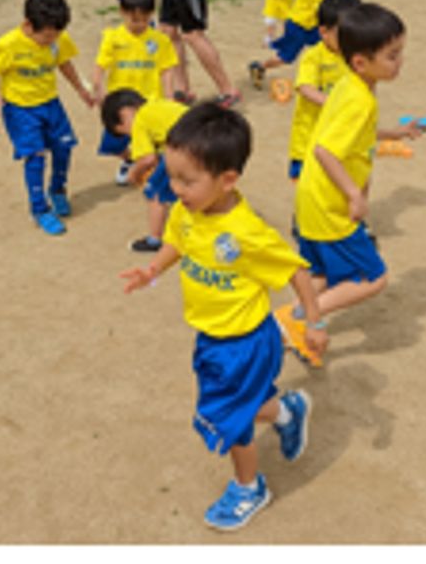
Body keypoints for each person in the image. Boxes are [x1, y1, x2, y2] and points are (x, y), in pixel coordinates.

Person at [119, 102, 326, 532]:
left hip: (245, 343)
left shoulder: (247, 233)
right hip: (212, 338)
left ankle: (249, 488)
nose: (175, 187)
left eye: (187, 180)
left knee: (229, 417)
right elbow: (178, 240)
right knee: (241, 406)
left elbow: (294, 270)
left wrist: (314, 321)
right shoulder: (189, 211)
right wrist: (153, 268)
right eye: (171, 175)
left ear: (227, 179)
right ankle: (286, 410)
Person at [276, 3, 421, 367]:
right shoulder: (359, 98)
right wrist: (354, 193)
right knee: (373, 278)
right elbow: (327, 150)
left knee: (322, 273)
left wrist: (394, 133)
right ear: (360, 61)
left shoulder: (348, 85)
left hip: (310, 197)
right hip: (329, 203)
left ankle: (292, 322)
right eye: (391, 55)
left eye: (400, 52)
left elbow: (347, 133)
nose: (399, 62)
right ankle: (296, 318)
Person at [0, 0, 96, 236]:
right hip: (20, 110)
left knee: (64, 147)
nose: (50, 41)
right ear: (28, 25)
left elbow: (64, 63)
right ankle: (40, 209)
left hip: (50, 104)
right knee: (35, 156)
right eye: (46, 37)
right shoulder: (8, 44)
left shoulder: (58, 39)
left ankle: (57, 190)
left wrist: (81, 89)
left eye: (55, 36)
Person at [92, 0, 179, 186]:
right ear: (122, 12)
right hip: (120, 105)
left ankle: (154, 171)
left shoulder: (160, 40)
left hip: (149, 102)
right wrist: (99, 88)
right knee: (113, 143)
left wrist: (169, 96)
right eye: (133, 19)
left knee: (155, 143)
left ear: (151, 14)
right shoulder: (113, 38)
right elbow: (100, 66)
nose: (138, 24)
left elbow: (167, 70)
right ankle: (130, 159)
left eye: (144, 19)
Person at [248, 0, 350, 88]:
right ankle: (260, 66)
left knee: (327, 48)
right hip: (298, 26)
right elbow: (322, 12)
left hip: (312, 27)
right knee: (286, 57)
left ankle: (324, 78)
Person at [287, 0, 361, 182]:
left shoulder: (354, 57)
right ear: (324, 32)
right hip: (308, 143)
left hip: (338, 139)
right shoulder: (314, 57)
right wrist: (334, 102)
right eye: (343, 34)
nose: (350, 39)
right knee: (307, 190)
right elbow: (305, 88)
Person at [101, 88, 188, 252]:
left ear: (123, 116)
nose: (130, 134)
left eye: (124, 131)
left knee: (155, 192)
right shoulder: (157, 102)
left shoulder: (139, 120)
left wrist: (134, 173)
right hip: (207, 141)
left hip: (185, 149)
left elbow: (148, 159)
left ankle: (154, 239)